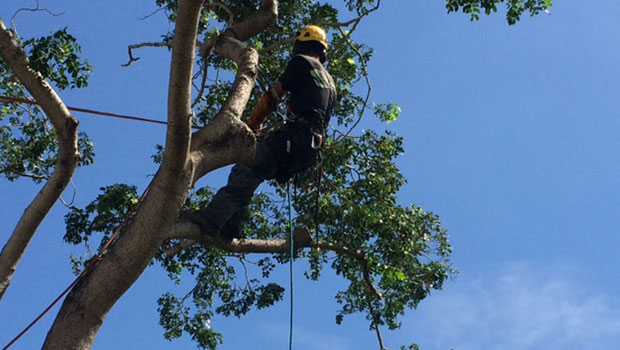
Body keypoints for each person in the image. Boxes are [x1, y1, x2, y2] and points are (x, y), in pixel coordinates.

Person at [185, 25, 337, 240]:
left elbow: (272, 97)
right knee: (260, 166)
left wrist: (252, 125)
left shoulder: (301, 62)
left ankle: (213, 220)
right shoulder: (330, 82)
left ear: (299, 45)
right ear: (323, 51)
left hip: (296, 138)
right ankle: (231, 227)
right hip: (311, 150)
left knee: (248, 163)